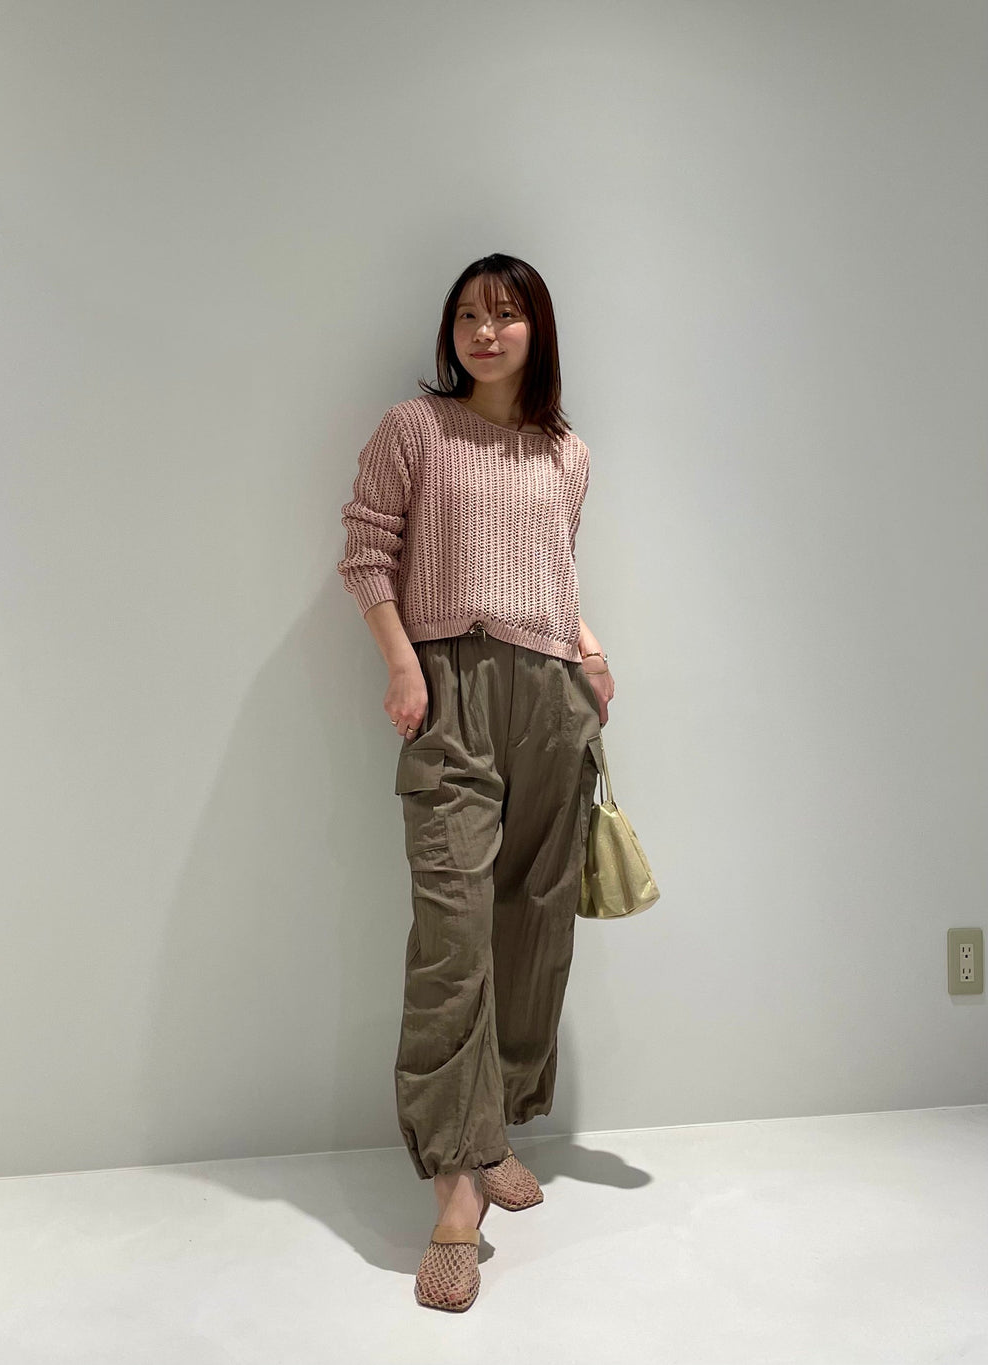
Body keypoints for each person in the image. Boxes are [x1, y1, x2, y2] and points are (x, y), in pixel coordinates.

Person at [336, 253, 615, 1311]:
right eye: (466, 315)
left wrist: (591, 651)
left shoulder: (567, 453)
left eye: (504, 315)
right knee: (453, 935)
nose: (483, 332)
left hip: (551, 696)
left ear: (538, 329)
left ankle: (492, 1127)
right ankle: (457, 1191)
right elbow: (366, 553)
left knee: (534, 924)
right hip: (449, 688)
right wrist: (403, 665)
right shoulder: (416, 431)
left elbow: (555, 572)